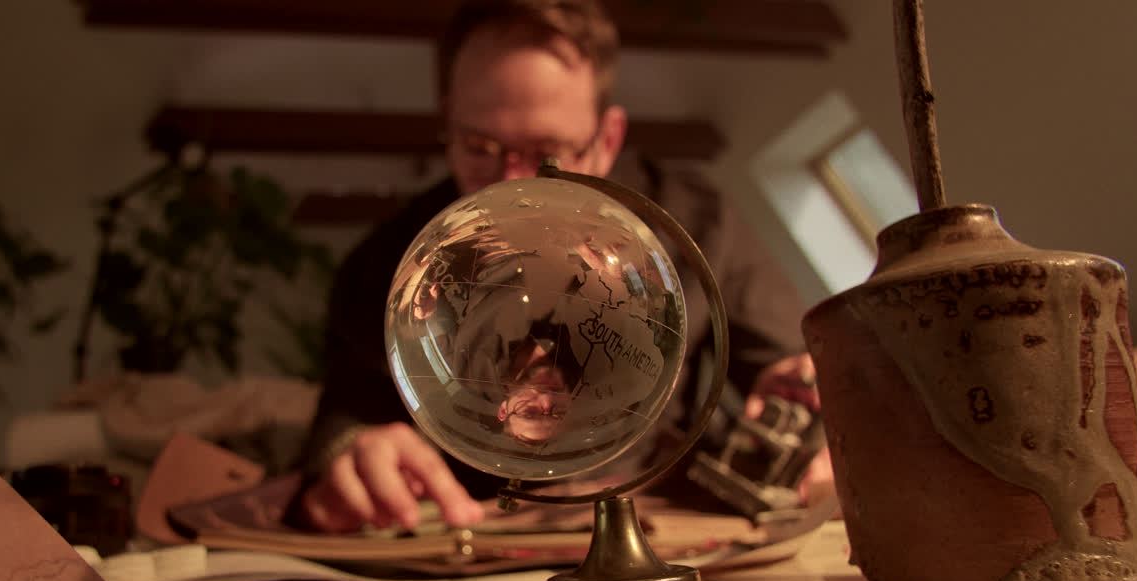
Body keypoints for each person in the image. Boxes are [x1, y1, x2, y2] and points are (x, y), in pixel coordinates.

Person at [291, 0, 829, 533]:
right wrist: (350, 453)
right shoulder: (386, 263)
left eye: (545, 154)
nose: (510, 186)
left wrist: (806, 396)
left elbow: (794, 372)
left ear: (607, 141)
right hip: (465, 535)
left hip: (655, 526)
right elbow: (343, 415)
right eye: (479, 146)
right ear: (448, 123)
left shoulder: (697, 222)